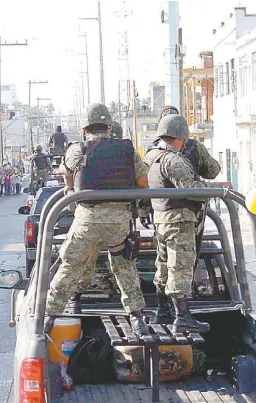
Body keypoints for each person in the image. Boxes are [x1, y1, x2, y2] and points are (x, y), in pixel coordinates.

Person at [44, 103, 149, 336]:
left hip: (87, 219)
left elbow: (69, 182)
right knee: (124, 266)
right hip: (119, 220)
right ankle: (137, 318)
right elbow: (143, 183)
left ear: (84, 129)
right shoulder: (127, 150)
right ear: (110, 127)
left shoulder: (76, 149)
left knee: (70, 265)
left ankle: (49, 317)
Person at [143, 114, 223, 334]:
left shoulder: (150, 156)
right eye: (184, 139)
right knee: (180, 266)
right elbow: (192, 190)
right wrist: (218, 189)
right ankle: (182, 316)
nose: (186, 143)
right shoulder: (173, 160)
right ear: (179, 137)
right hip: (180, 219)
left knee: (163, 265)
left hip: (160, 218)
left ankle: (163, 310)